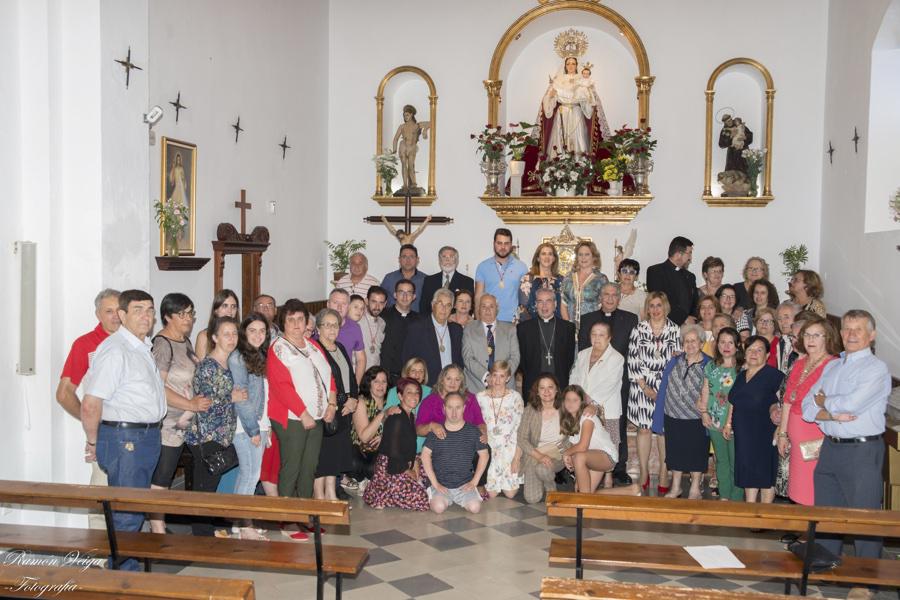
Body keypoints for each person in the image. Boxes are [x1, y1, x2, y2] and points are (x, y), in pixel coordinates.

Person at [803, 310, 892, 592]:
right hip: (830, 447)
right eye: (847, 329)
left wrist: (824, 402)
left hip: (861, 451)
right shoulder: (833, 367)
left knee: (865, 521)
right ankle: (827, 569)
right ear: (840, 334)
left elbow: (851, 404)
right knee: (827, 515)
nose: (851, 335)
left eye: (858, 329)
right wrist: (830, 412)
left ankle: (865, 584)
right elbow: (806, 407)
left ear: (871, 335)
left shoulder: (876, 369)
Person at [81, 290, 165, 570]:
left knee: (135, 508)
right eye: (138, 310)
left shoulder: (142, 347)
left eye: (150, 310)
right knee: (127, 513)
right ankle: (121, 576)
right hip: (126, 438)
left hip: (145, 436)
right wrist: (93, 441)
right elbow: (91, 403)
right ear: (122, 314)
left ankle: (126, 570)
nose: (146, 316)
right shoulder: (116, 350)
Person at [267, 300, 335, 541]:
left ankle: (305, 515)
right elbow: (281, 387)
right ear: (283, 323)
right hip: (292, 418)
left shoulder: (313, 345)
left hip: (316, 416)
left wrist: (332, 404)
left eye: (300, 319)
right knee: (292, 467)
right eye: (291, 320)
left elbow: (328, 374)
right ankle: (286, 520)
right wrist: (303, 413)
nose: (296, 324)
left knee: (309, 467)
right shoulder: (278, 349)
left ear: (307, 321)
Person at [56, 288, 120, 527]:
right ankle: (98, 546)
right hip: (105, 432)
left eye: (119, 310)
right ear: (98, 314)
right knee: (101, 496)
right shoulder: (85, 344)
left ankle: (126, 545)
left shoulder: (135, 342)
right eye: (109, 311)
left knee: (132, 496)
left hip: (135, 432)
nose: (115, 316)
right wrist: (91, 421)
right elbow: (64, 394)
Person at [148, 293, 208, 535]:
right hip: (169, 423)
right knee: (163, 475)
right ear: (167, 317)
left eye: (190, 313)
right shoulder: (163, 344)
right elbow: (158, 388)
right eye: (182, 314)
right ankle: (157, 527)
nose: (188, 319)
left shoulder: (185, 341)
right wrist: (190, 404)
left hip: (188, 421)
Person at [577, 283, 638, 485]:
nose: (610, 298)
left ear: (619, 298)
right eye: (606, 294)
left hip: (617, 382)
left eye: (614, 295)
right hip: (590, 383)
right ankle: (589, 465)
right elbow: (582, 353)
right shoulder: (587, 319)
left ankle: (618, 467)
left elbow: (632, 352)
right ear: (600, 297)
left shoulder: (630, 319)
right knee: (588, 426)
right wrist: (584, 393)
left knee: (616, 426)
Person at [184, 316, 239, 536]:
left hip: (223, 434)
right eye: (226, 334)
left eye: (234, 333)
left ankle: (208, 531)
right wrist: (231, 397)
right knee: (204, 489)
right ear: (215, 338)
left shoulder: (233, 362)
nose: (231, 338)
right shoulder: (207, 366)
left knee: (212, 487)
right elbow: (204, 403)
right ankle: (201, 536)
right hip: (206, 436)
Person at [776, 317, 839, 506]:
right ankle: (803, 521)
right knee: (798, 488)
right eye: (807, 335)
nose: (810, 340)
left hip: (816, 435)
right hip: (795, 438)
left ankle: (814, 523)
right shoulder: (800, 363)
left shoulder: (833, 365)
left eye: (817, 335)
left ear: (828, 338)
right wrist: (782, 433)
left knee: (814, 488)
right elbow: (787, 400)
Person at [627, 291, 682, 494]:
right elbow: (632, 358)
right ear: (647, 308)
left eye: (659, 305)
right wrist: (645, 387)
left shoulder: (675, 330)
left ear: (665, 307)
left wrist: (665, 387)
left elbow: (678, 361)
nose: (656, 309)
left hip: (667, 384)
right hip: (642, 383)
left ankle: (664, 472)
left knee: (663, 431)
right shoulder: (638, 329)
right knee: (644, 429)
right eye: (652, 305)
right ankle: (643, 472)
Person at [653, 324, 710, 499]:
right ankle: (676, 487)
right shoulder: (675, 360)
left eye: (694, 341)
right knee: (675, 452)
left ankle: (694, 488)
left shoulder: (709, 364)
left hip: (696, 418)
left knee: (697, 452)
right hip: (672, 415)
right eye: (686, 341)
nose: (690, 344)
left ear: (701, 343)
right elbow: (664, 386)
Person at [726, 335, 785, 503]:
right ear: (744, 354)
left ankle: (765, 512)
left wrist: (780, 428)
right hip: (743, 434)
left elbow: (784, 405)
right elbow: (734, 401)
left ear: (767, 355)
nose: (754, 353)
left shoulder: (775, 376)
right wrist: (728, 424)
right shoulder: (741, 375)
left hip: (764, 433)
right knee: (747, 471)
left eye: (759, 350)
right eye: (750, 350)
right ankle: (750, 508)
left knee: (764, 474)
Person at [228, 312, 272, 540]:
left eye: (262, 331)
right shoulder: (238, 358)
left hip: (259, 423)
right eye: (252, 330)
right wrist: (253, 429)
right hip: (245, 426)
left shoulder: (260, 355)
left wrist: (266, 426)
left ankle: (239, 523)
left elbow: (264, 394)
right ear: (244, 333)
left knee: (249, 474)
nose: (257, 335)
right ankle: (245, 526)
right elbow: (242, 398)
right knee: (250, 475)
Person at [569, 321, 625, 488]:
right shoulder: (583, 354)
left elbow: (610, 384)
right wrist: (577, 398)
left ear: (609, 338)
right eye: (594, 334)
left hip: (606, 407)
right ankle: (585, 476)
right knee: (586, 442)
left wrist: (593, 403)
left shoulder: (617, 358)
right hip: (582, 408)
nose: (597, 338)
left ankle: (608, 478)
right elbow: (574, 377)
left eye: (601, 335)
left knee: (608, 444)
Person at [362, 378, 429, 511]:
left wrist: (415, 463)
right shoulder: (396, 417)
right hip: (391, 467)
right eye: (409, 392)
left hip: (404, 461)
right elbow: (393, 453)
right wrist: (408, 471)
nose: (414, 396)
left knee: (428, 472)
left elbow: (410, 447)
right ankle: (383, 494)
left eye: (417, 392)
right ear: (400, 396)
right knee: (422, 500)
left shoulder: (411, 416)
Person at [313, 309, 359, 502]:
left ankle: (331, 492)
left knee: (336, 453)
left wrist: (354, 398)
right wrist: (342, 400)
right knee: (324, 454)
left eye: (335, 325)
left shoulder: (339, 346)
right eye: (327, 325)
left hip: (346, 408)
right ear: (318, 328)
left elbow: (350, 376)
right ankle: (319, 494)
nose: (332, 329)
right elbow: (322, 382)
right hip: (328, 409)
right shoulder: (315, 349)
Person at [421, 391, 490, 514]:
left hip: (464, 484)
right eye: (450, 407)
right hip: (441, 484)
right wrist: (435, 484)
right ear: (444, 408)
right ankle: (434, 493)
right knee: (438, 508)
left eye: (458, 407)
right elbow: (425, 455)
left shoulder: (473, 431)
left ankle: (465, 496)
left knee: (475, 508)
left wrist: (474, 482)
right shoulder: (437, 431)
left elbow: (484, 455)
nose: (454, 413)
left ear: (464, 408)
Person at [699, 327, 744, 501]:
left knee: (735, 461)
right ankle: (724, 496)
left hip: (735, 422)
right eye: (722, 342)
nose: (726, 346)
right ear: (717, 344)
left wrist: (730, 422)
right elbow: (705, 390)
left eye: (730, 343)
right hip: (714, 420)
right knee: (721, 460)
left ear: (737, 345)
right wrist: (704, 412)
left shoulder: (743, 368)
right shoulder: (711, 366)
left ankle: (736, 498)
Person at [541, 56, 610, 160]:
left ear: (577, 65)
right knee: (560, 136)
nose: (570, 66)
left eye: (573, 63)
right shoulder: (558, 80)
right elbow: (548, 100)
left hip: (576, 111)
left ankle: (579, 163)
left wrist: (588, 95)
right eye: (568, 63)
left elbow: (590, 101)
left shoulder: (582, 80)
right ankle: (558, 163)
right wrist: (550, 96)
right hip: (562, 112)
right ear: (565, 66)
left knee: (578, 136)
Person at [476, 361, 523, 499]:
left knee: (510, 494)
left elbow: (521, 429)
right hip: (489, 448)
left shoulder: (515, 397)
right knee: (491, 494)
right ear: (489, 376)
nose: (497, 380)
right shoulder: (480, 397)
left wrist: (517, 458)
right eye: (494, 375)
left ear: (508, 378)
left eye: (502, 376)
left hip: (509, 449)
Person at [517, 287, 576, 399]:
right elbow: (521, 360)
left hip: (559, 384)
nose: (544, 306)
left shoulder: (568, 328)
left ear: (555, 304)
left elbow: (569, 359)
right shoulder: (523, 328)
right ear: (536, 305)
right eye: (540, 301)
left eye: (548, 301)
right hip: (532, 385)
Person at [517, 375, 567, 504]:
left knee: (542, 469)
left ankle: (550, 486)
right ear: (537, 392)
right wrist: (539, 456)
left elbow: (580, 407)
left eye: (550, 387)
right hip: (535, 454)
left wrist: (590, 407)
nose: (546, 391)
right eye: (542, 388)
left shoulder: (565, 408)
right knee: (532, 499)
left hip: (557, 453)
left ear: (556, 390)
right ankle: (543, 479)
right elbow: (521, 438)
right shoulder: (530, 410)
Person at [560, 385, 619, 493]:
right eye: (568, 400)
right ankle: (632, 490)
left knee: (579, 457)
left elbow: (583, 446)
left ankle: (584, 500)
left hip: (606, 456)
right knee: (585, 492)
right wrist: (577, 477)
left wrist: (565, 453)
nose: (571, 403)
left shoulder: (586, 417)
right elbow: (575, 448)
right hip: (591, 456)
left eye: (575, 400)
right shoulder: (571, 420)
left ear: (582, 402)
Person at [401, 288, 463, 387]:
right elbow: (408, 360)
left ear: (452, 309)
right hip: (426, 387)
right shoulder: (417, 328)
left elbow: (460, 361)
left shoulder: (457, 330)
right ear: (433, 305)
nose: (444, 309)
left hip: (452, 387)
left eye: (448, 305)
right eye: (440, 304)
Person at [415, 364, 486, 446]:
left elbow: (480, 423)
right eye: (449, 379)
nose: (453, 383)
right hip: (440, 448)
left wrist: (483, 433)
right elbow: (418, 430)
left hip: (467, 446)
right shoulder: (430, 401)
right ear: (442, 380)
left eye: (457, 379)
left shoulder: (470, 399)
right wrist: (431, 426)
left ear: (461, 382)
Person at [351, 367, 399, 487]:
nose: (380, 385)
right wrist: (383, 413)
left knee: (375, 467)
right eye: (376, 381)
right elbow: (364, 437)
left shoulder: (392, 402)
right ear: (369, 383)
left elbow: (400, 433)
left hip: (381, 449)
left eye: (384, 381)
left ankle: (371, 483)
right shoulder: (361, 402)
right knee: (355, 464)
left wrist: (385, 438)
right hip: (359, 448)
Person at [462, 294, 519, 393]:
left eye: (491, 306)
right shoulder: (469, 329)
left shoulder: (510, 329)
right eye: (483, 306)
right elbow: (467, 358)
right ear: (478, 309)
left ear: (497, 309)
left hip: (505, 388)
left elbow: (515, 357)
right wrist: (486, 377)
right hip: (476, 387)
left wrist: (501, 377)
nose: (487, 310)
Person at [475, 228, 528, 323]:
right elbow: (478, 297)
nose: (503, 247)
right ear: (494, 244)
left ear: (511, 245)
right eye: (499, 243)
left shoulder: (521, 267)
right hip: (489, 321)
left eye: (506, 243)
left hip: (513, 322)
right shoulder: (482, 267)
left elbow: (524, 299)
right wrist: (478, 322)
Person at [646, 236, 697, 325]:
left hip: (688, 327)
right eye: (689, 253)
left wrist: (692, 319)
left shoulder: (690, 277)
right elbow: (659, 300)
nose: (690, 258)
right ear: (678, 254)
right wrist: (683, 319)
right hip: (664, 325)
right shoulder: (655, 272)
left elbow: (694, 303)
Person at [385, 357, 432, 453]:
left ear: (424, 376)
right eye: (413, 370)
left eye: (421, 371)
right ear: (406, 373)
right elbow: (385, 420)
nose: (417, 374)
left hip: (424, 449)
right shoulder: (394, 391)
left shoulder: (430, 392)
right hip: (398, 448)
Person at [560, 241, 608, 333]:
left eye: (587, 254)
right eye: (580, 254)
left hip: (593, 330)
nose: (583, 258)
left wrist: (596, 328)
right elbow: (563, 304)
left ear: (594, 257)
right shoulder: (568, 278)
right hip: (570, 329)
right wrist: (568, 326)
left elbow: (605, 306)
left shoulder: (601, 279)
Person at [379, 279, 419, 382]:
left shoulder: (419, 320)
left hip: (410, 377)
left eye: (409, 293)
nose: (405, 296)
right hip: (386, 376)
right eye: (401, 292)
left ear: (414, 297)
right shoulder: (382, 316)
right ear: (395, 295)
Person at [419, 246, 475, 316]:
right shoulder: (429, 280)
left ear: (457, 261)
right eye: (444, 257)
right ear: (439, 261)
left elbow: (469, 308)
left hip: (457, 321)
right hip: (432, 321)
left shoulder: (467, 282)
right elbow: (423, 307)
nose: (447, 260)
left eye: (451, 257)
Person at [327, 288, 366, 385]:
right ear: (328, 304)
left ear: (348, 307)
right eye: (335, 302)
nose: (339, 307)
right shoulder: (316, 325)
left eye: (344, 304)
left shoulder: (354, 327)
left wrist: (356, 385)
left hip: (345, 381)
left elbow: (361, 359)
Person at [392, 104, 431, 195]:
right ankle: (405, 185)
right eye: (404, 115)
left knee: (411, 165)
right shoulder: (402, 126)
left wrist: (425, 130)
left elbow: (430, 123)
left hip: (412, 147)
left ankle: (413, 184)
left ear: (412, 114)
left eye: (407, 115)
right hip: (403, 146)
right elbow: (395, 138)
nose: (405, 117)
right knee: (403, 165)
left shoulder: (417, 125)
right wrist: (394, 149)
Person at [518, 242, 563, 321]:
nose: (547, 257)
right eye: (543, 254)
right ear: (538, 258)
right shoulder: (527, 280)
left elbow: (564, 307)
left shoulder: (561, 281)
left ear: (554, 258)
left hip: (557, 325)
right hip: (532, 324)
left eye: (550, 254)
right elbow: (523, 308)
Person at [195, 289, 239, 359]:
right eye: (225, 306)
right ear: (215, 310)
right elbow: (200, 364)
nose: (230, 311)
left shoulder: (241, 334)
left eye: (233, 306)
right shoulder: (204, 336)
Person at [381, 244, 426, 312]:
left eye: (411, 256)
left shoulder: (426, 280)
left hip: (418, 318)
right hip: (391, 318)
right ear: (399, 259)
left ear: (417, 260)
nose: (408, 260)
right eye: (404, 256)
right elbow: (381, 301)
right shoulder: (389, 278)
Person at [358, 286, 387, 368]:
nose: (377, 307)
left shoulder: (382, 323)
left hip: (375, 371)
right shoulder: (358, 319)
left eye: (381, 303)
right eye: (374, 302)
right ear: (366, 301)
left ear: (385, 304)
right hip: (358, 370)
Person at [774, 301, 801, 372]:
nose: (783, 322)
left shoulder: (803, 344)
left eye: (786, 317)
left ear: (797, 318)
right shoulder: (781, 341)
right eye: (779, 319)